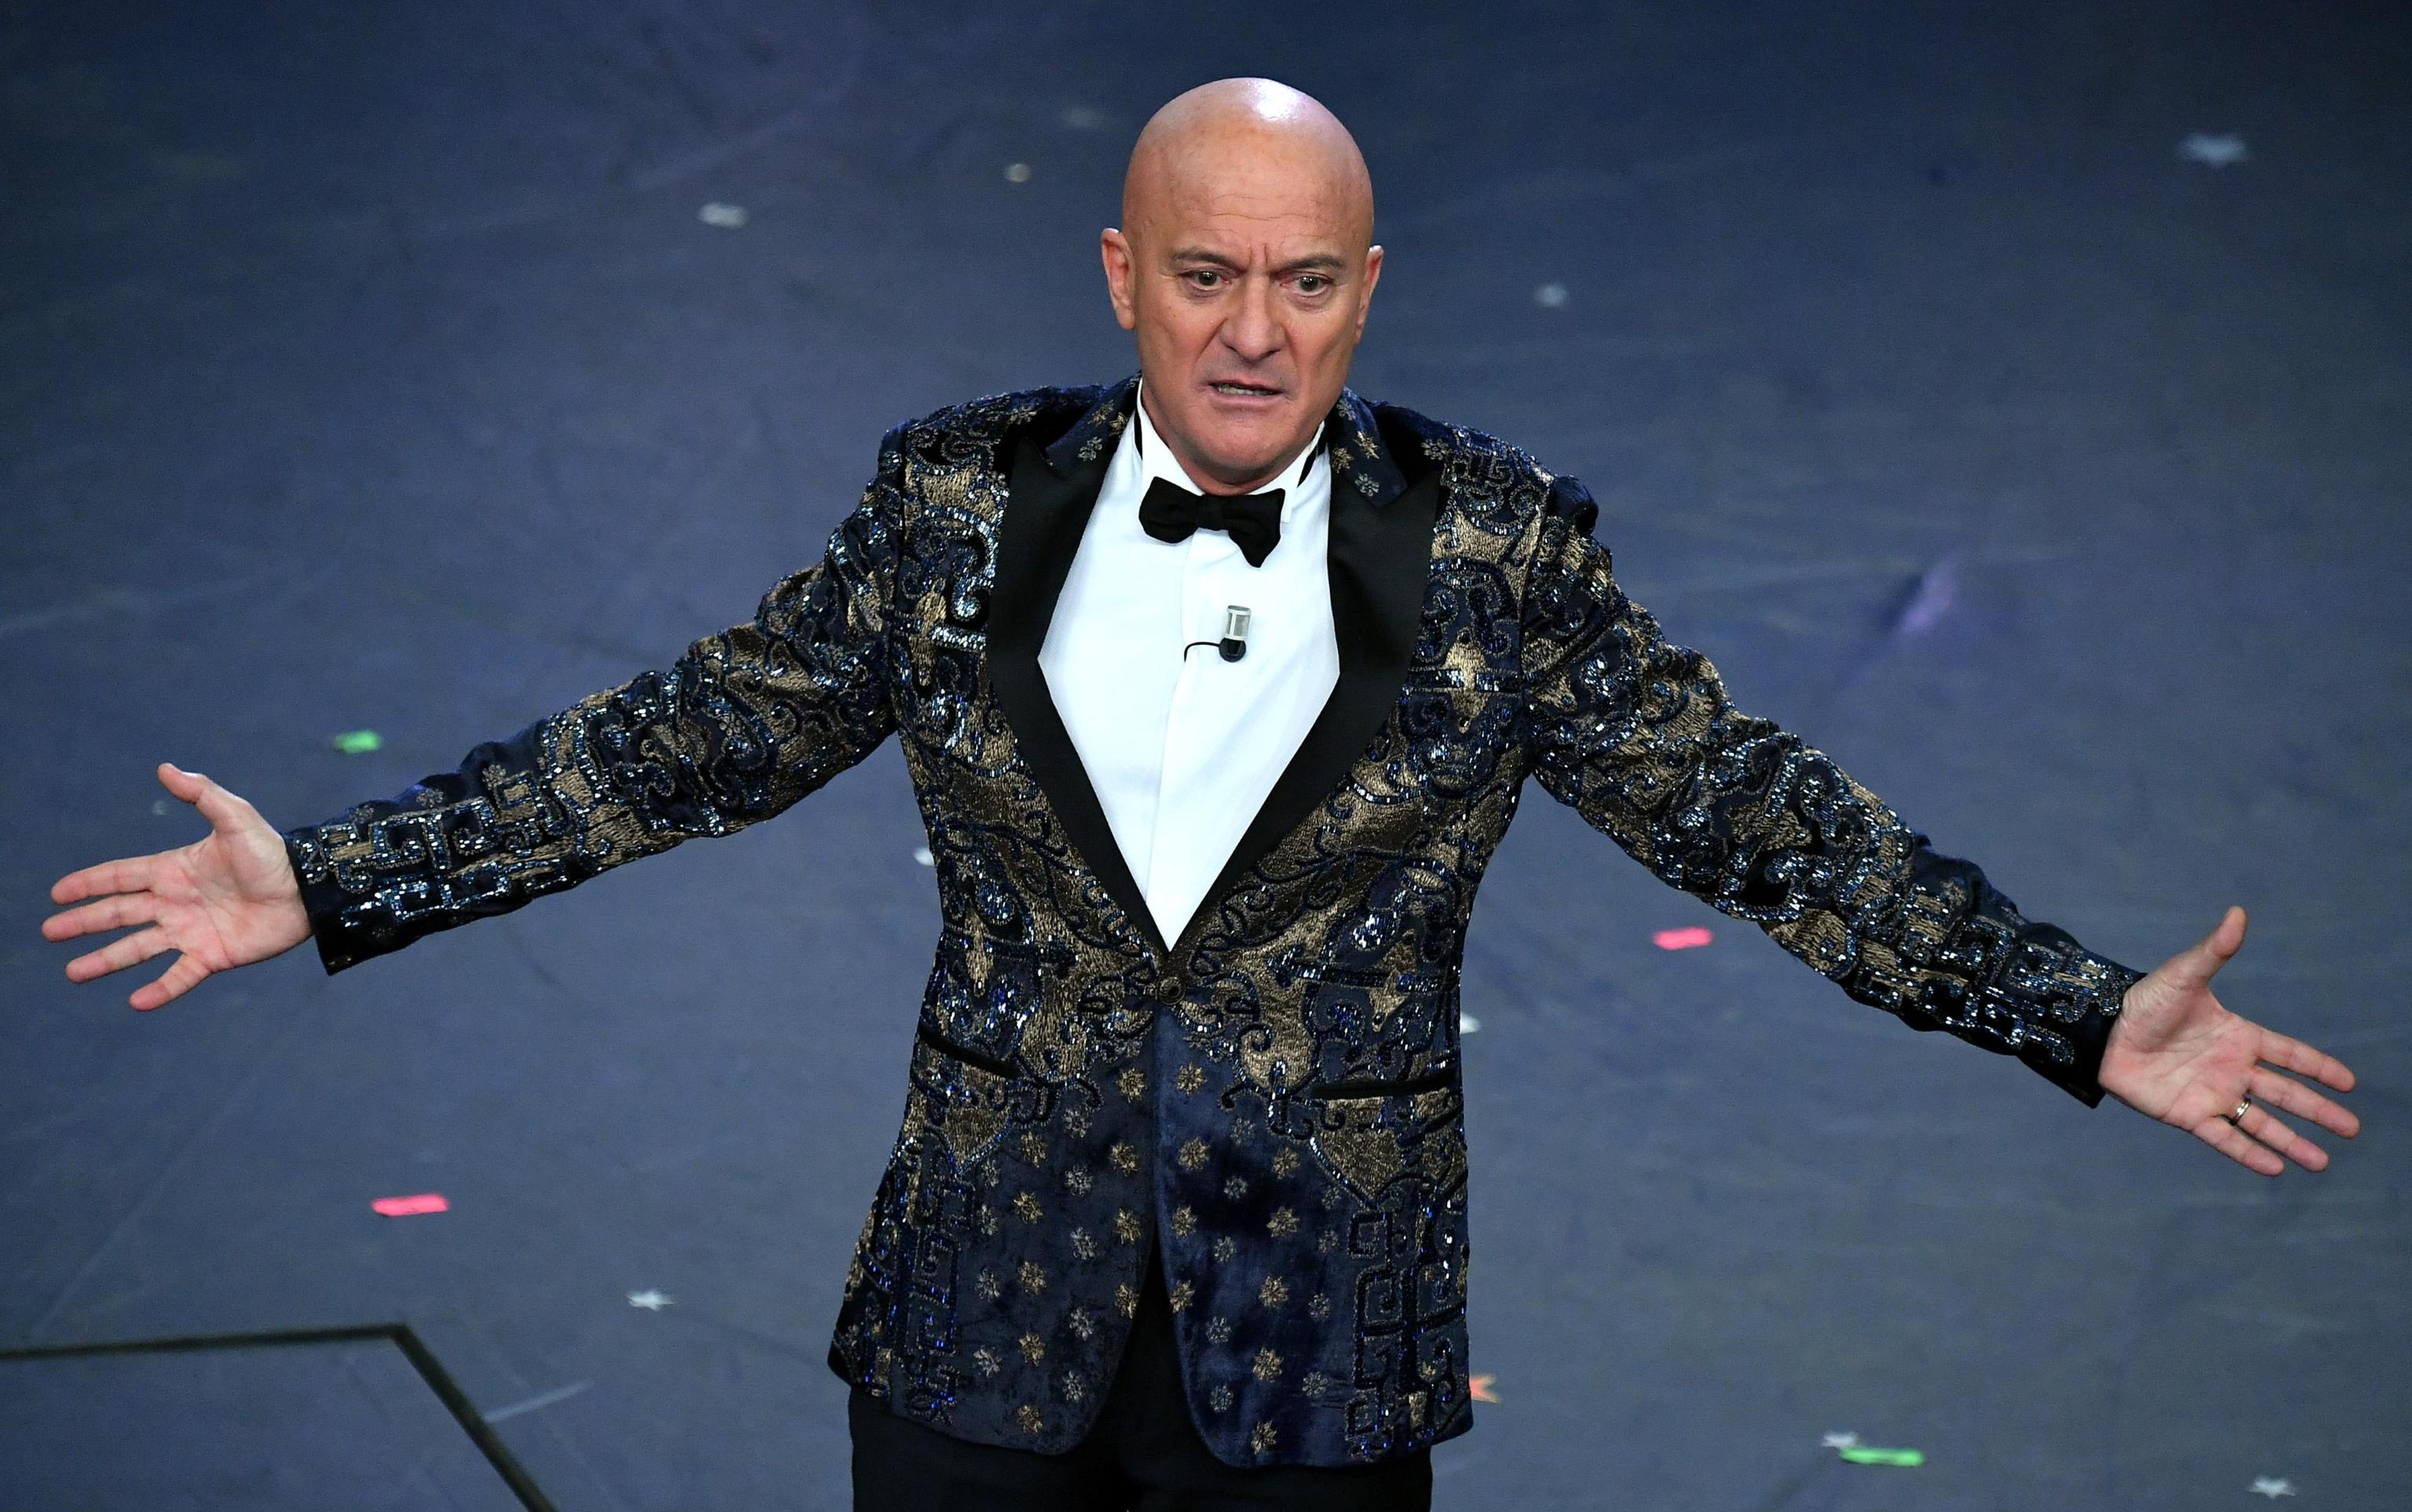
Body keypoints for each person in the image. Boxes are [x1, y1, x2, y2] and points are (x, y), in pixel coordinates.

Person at [42, 78, 2359, 1512]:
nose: (1257, 333)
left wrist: (2076, 1013)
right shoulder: (956, 504)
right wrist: (337, 882)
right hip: (977, 1319)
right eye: (1210, 276)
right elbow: (689, 739)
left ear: (1370, 289)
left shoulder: (1495, 551)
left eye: (1310, 283)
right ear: (1122, 275)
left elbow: (1762, 818)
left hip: (1320, 1342)